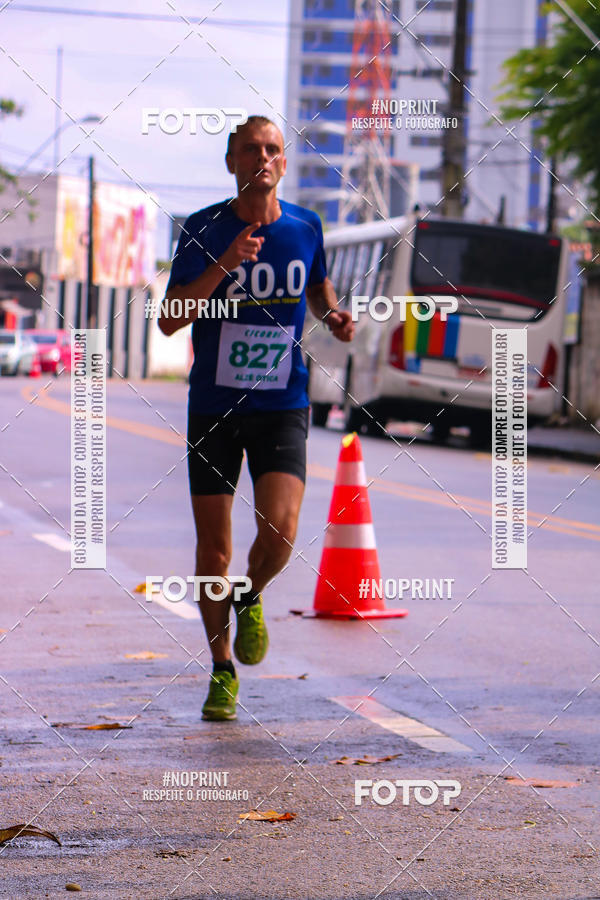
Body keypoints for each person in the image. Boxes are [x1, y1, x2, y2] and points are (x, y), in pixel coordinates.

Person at [159, 115, 354, 720]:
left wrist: (335, 316)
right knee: (212, 549)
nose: (262, 158)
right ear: (231, 162)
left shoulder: (305, 226)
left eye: (273, 149)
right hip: (215, 406)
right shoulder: (202, 229)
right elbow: (170, 318)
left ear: (284, 164)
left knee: (280, 534)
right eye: (250, 150)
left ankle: (251, 596)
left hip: (282, 402)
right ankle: (221, 671)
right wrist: (225, 262)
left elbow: (318, 291)